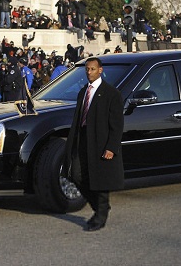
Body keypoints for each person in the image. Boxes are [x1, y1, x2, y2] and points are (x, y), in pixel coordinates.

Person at [62, 57, 124, 231]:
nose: (89, 72)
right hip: (83, 139)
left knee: (101, 180)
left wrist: (111, 147)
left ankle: (100, 216)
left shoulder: (111, 94)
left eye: (92, 69)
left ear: (100, 70)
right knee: (76, 174)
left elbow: (117, 124)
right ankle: (100, 207)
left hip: (101, 142)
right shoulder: (83, 92)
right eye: (87, 69)